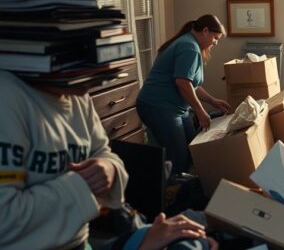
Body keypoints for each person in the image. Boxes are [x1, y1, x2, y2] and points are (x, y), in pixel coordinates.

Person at [0, 69, 129, 249]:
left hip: (80, 240)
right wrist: (83, 186)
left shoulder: (77, 95)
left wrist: (109, 168)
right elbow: (4, 218)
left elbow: (102, 150)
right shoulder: (7, 97)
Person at [136, 14, 232, 176]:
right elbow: (182, 83)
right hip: (158, 106)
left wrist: (212, 101)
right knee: (178, 157)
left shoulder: (191, 44)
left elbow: (192, 84)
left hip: (176, 108)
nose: (215, 43)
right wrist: (200, 111)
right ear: (205, 31)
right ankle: (172, 195)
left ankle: (182, 186)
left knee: (192, 149)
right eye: (215, 38)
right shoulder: (189, 47)